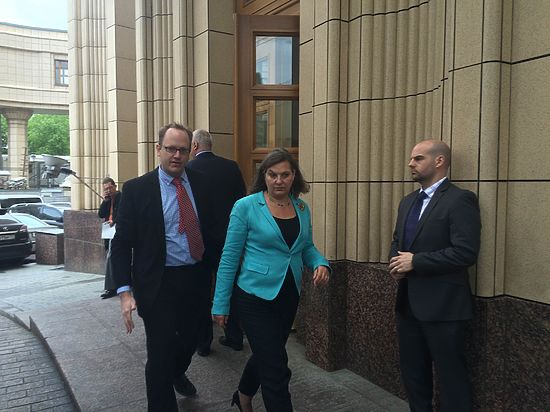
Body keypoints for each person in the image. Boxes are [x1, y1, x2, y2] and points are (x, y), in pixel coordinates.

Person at [110, 122, 222, 412]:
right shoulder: (136, 189)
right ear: (158, 149)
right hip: (157, 283)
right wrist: (124, 292)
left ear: (190, 151)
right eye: (171, 149)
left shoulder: (202, 184)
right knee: (159, 352)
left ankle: (176, 371)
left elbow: (213, 231)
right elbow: (121, 244)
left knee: (191, 340)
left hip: (195, 278)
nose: (177, 155)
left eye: (182, 150)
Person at [212, 148, 330, 412]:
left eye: (285, 175)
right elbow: (229, 258)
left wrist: (320, 262)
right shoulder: (245, 206)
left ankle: (243, 395)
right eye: (272, 174)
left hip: (288, 295)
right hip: (254, 298)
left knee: (268, 353)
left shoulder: (301, 207)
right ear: (263, 176)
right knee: (276, 368)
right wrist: (220, 303)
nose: (279, 180)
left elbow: (306, 247)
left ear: (294, 176)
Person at [388, 139, 481, 412]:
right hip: (408, 306)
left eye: (418, 158)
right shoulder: (408, 202)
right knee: (414, 377)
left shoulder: (460, 200)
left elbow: (465, 253)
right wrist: (395, 263)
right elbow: (397, 241)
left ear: (439, 161)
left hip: (445, 308)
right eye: (411, 158)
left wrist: (416, 262)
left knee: (452, 380)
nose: (411, 164)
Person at [188, 128, 247, 357]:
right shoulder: (231, 167)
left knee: (201, 292)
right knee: (231, 287)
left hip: (200, 242)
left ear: (194, 146)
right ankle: (235, 336)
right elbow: (242, 201)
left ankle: (203, 343)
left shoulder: (189, 169)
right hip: (229, 240)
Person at [97, 177, 121, 299]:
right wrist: (105, 201)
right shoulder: (107, 200)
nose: (108, 191)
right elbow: (101, 214)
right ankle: (115, 285)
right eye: (106, 189)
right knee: (112, 258)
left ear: (115, 187)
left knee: (111, 257)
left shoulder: (122, 197)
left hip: (119, 232)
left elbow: (124, 213)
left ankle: (111, 287)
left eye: (110, 188)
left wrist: (114, 221)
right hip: (109, 234)